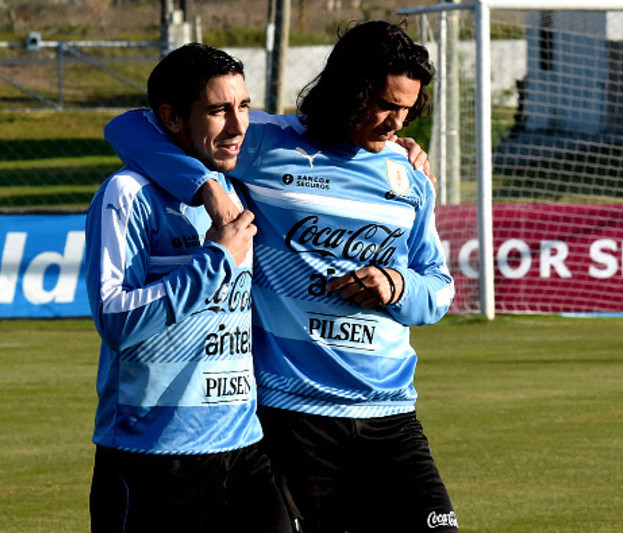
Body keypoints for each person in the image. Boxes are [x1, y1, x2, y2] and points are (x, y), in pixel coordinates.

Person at [105, 21, 459, 533]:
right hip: (292, 414)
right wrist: (207, 184)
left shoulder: (408, 177)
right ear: (347, 91)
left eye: (406, 109)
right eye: (385, 104)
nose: (396, 123)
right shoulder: (266, 143)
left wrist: (397, 286)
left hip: (392, 414)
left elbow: (439, 287)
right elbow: (129, 127)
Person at [84, 43, 292, 532]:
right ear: (173, 119)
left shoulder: (236, 190)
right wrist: (214, 260)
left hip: (242, 448)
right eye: (219, 110)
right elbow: (116, 321)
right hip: (151, 456)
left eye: (243, 106)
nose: (240, 126)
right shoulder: (126, 195)